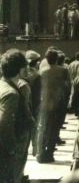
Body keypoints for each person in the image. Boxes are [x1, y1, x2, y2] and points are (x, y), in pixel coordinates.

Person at [0, 49, 34, 183]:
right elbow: (4, 125)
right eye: (24, 66)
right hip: (8, 153)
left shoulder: (3, 85)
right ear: (19, 69)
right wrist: (12, 150)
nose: (27, 69)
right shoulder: (11, 93)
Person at [37, 48, 71, 163]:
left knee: (43, 128)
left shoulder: (42, 71)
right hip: (58, 103)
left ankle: (40, 153)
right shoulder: (63, 71)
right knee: (54, 129)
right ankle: (49, 154)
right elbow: (68, 87)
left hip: (44, 103)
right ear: (57, 59)